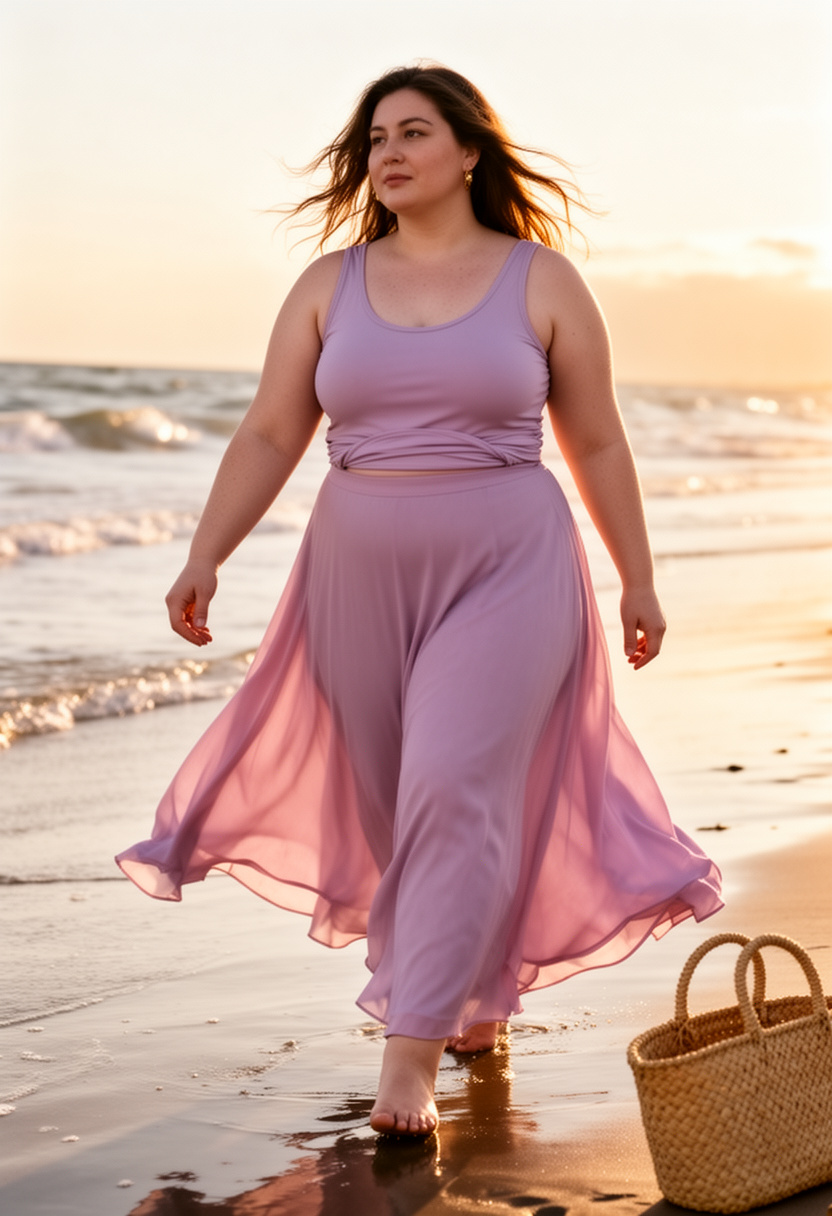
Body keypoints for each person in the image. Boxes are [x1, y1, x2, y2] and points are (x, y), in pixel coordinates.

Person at [117, 64, 722, 1138]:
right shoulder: (329, 285)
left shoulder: (541, 280)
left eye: (413, 132)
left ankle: (411, 1054)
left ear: (470, 151)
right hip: (355, 568)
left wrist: (638, 575)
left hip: (511, 564)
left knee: (454, 785)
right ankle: (471, 992)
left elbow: (596, 439)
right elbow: (270, 431)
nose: (388, 154)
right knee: (393, 804)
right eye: (374, 139)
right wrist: (205, 554)